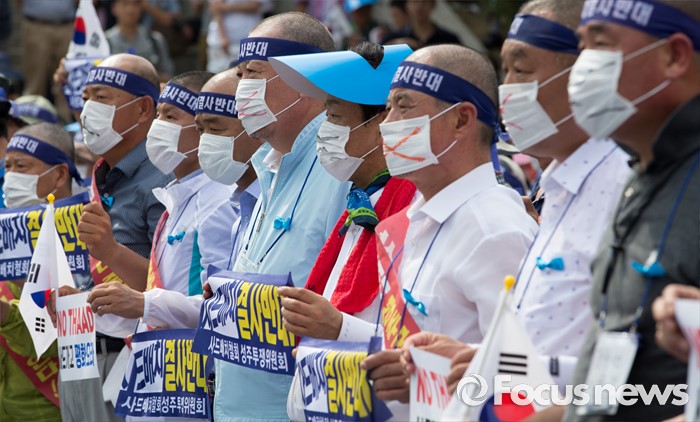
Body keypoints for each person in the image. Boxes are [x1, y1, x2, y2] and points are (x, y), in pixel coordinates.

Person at [361, 44, 538, 415]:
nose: (386, 123)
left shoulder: (495, 230)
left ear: (461, 120)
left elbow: (526, 380)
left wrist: (425, 377)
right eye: (388, 107)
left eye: (403, 106)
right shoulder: (416, 217)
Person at [559, 1, 700, 420]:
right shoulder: (643, 169)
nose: (582, 68)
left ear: (674, 55)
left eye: (600, 45)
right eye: (581, 47)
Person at [208, 12, 349, 421]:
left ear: (305, 79)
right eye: (240, 74)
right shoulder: (269, 166)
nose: (242, 88)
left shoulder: (341, 168)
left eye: (254, 73)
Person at [268, 41, 415, 419]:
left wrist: (338, 328)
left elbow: (422, 343)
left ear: (382, 123)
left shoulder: (412, 210)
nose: (324, 131)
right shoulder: (362, 199)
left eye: (335, 116)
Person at [83, 71, 237, 331]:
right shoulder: (176, 199)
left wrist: (145, 304)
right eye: (158, 115)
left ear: (202, 127)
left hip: (196, 354)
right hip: (164, 352)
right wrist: (83, 304)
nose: (158, 126)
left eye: (171, 117)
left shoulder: (221, 200)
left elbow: (225, 307)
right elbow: (157, 290)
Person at [69, 53, 171, 421]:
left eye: (102, 97)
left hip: (137, 360)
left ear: (143, 109)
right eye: (86, 97)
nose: (88, 110)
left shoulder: (164, 179)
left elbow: (172, 287)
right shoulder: (99, 175)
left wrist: (110, 252)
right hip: (82, 353)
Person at [0, 122, 82, 422]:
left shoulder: (83, 238)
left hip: (55, 409)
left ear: (59, 175)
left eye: (21, 166)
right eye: (7, 167)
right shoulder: (4, 232)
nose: (10, 176)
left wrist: (6, 315)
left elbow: (67, 337)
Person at [106, 0, 175, 81]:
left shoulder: (155, 40)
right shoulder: (105, 42)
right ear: (114, 8)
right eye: (125, 4)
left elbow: (169, 77)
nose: (130, 10)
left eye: (135, 4)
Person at [19, 0, 75, 99]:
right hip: (37, 25)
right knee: (35, 80)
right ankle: (32, 107)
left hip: (68, 26)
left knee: (67, 79)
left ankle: (66, 109)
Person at [205, 0, 268, 73]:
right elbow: (215, 7)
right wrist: (223, 37)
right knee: (216, 73)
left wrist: (225, 7)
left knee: (247, 73)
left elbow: (256, 5)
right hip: (221, 42)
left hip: (249, 41)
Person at [382, 0, 460, 47]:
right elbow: (376, 59)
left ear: (433, 4)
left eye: (424, 1)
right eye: (415, 1)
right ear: (407, 5)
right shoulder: (393, 38)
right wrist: (393, 45)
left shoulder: (449, 40)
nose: (419, 6)